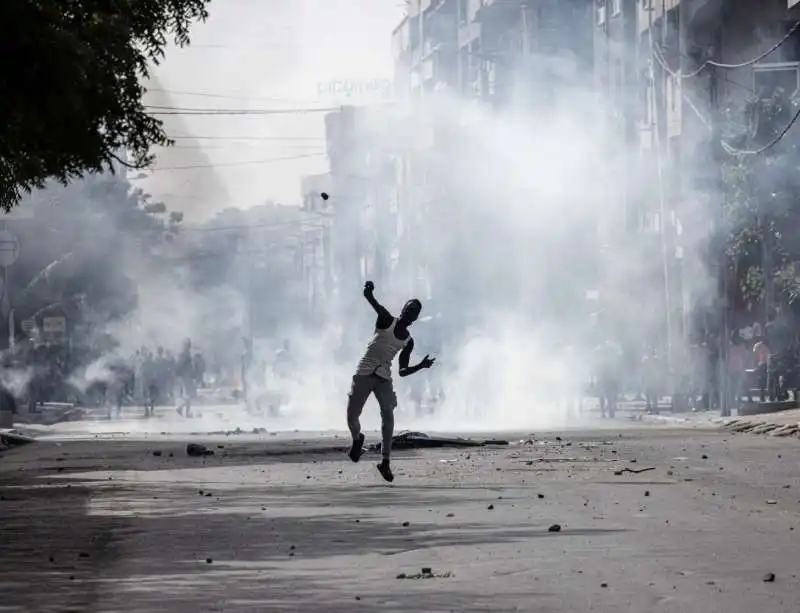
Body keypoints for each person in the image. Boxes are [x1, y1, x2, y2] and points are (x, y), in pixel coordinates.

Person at [346, 280, 435, 482]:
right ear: (403, 310)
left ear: (415, 318)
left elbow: (402, 371)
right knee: (352, 416)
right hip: (365, 371)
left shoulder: (408, 341)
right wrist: (369, 289)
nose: (411, 312)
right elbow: (370, 299)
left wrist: (421, 366)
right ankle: (357, 439)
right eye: (410, 308)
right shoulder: (386, 319)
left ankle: (385, 461)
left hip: (384, 377)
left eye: (415, 312)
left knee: (388, 414)